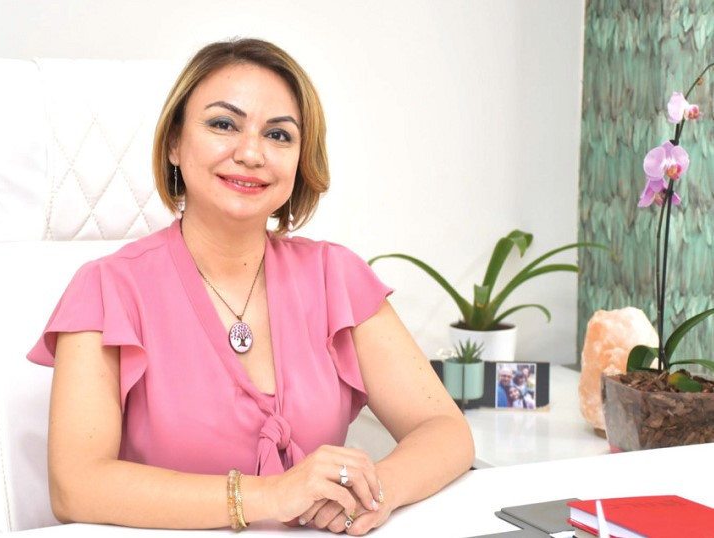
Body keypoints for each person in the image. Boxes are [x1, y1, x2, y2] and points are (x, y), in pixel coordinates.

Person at [27, 38, 473, 535]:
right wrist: (271, 495)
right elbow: (75, 486)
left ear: (300, 160)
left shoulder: (336, 277)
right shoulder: (107, 289)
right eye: (223, 124)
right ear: (174, 143)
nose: (251, 153)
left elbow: (445, 431)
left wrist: (374, 491)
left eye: (279, 135)